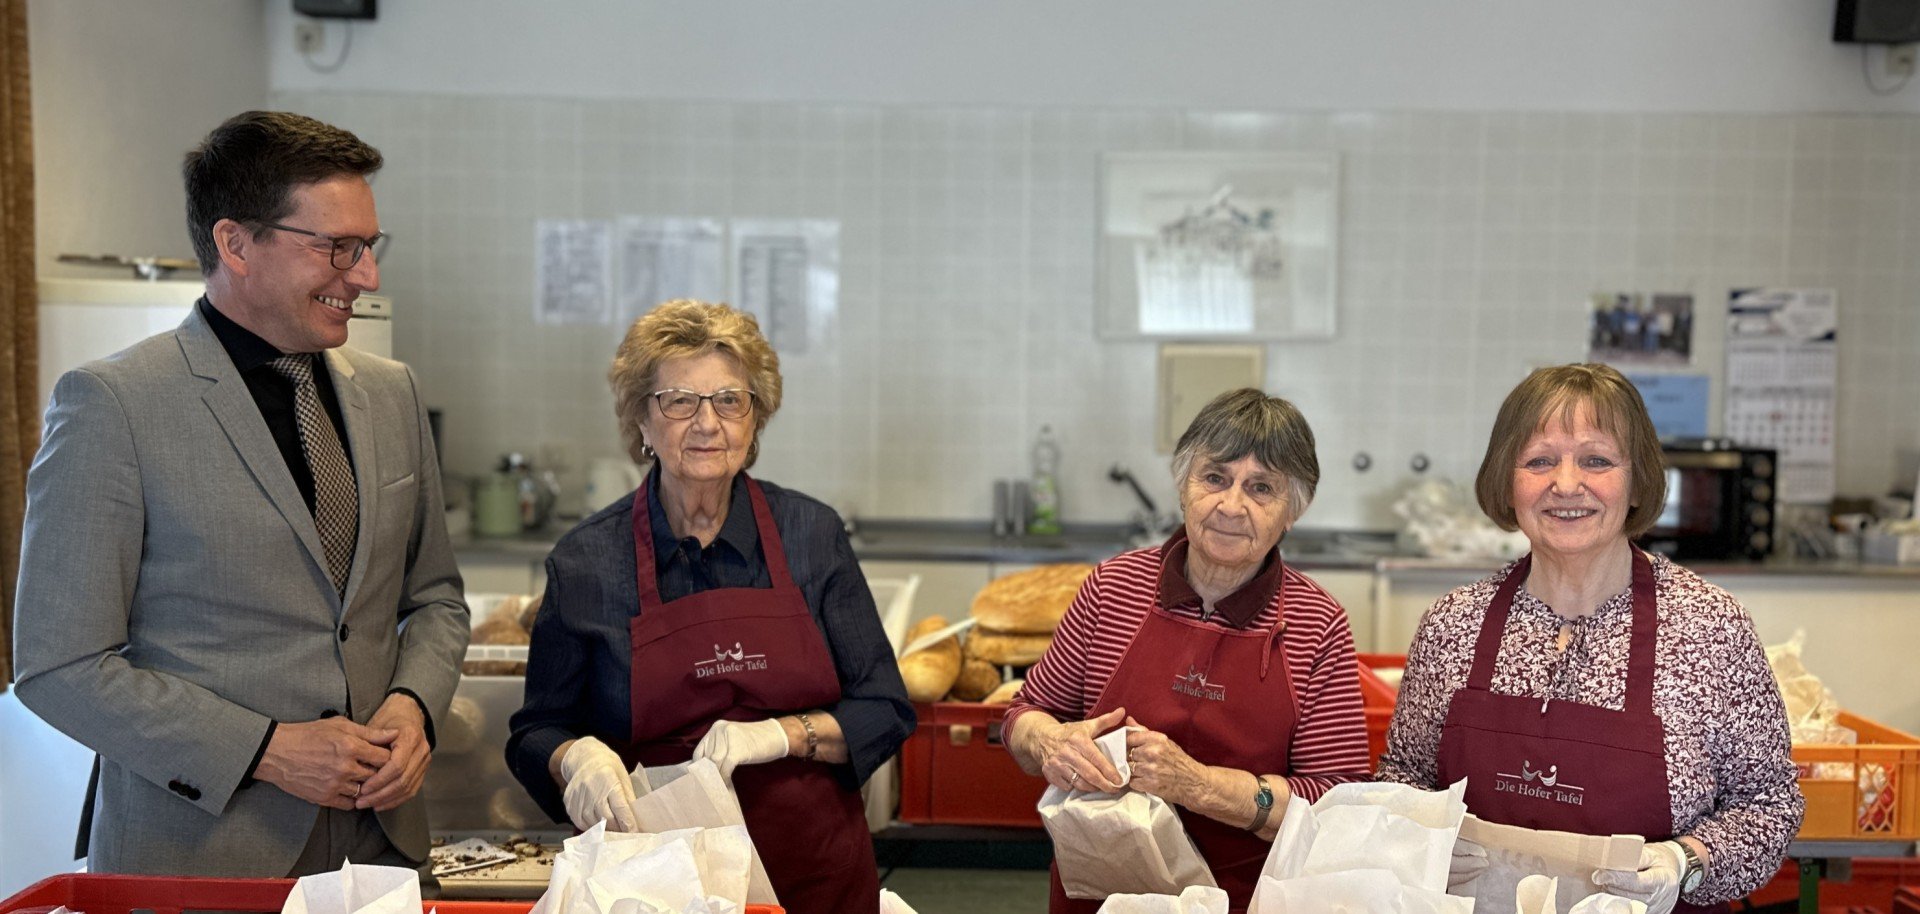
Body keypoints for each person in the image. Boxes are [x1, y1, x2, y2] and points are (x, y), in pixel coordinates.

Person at [12, 111, 470, 879]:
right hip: (201, 859)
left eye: (369, 247)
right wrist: (266, 751)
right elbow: (58, 667)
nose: (367, 276)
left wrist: (415, 705)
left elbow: (435, 600)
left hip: (381, 852)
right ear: (235, 244)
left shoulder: (391, 394)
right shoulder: (113, 404)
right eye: (337, 248)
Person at [506, 300, 913, 914]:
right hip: (655, 883)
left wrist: (782, 735)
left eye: (730, 400)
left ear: (754, 422)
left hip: (814, 878)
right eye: (678, 401)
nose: (706, 423)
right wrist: (575, 757)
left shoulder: (811, 533)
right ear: (641, 422)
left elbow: (884, 706)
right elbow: (536, 731)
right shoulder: (587, 561)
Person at [1377, 363, 1803, 914]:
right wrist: (1421, 841)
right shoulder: (1452, 624)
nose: (1566, 484)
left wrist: (1686, 862)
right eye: (1539, 461)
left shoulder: (1710, 627)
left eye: (1596, 460)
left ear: (1636, 480)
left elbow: (1768, 802)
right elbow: (1404, 777)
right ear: (1507, 482)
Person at [1006, 388, 1372, 913]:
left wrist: (1198, 785)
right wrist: (1051, 743)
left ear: (1293, 509)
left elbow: (1335, 801)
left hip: (1244, 901)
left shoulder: (1317, 622)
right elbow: (1023, 715)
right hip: (1100, 897)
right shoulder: (1114, 587)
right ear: (1183, 485)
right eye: (1215, 478)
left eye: (1261, 487)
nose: (1230, 505)